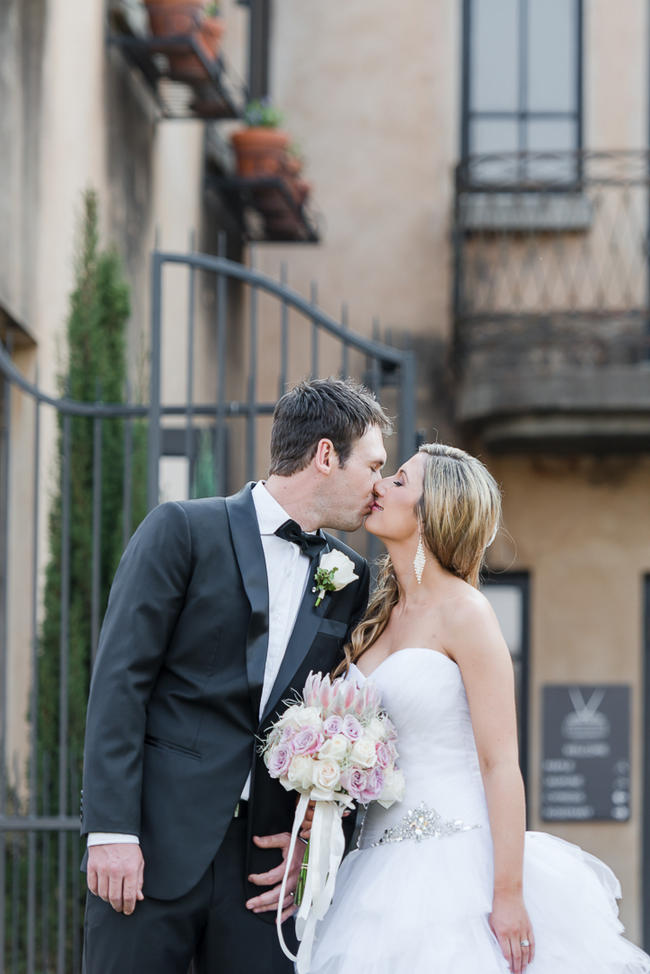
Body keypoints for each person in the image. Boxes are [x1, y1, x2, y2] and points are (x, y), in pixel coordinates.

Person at [80, 377, 391, 974]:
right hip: (150, 850)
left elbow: (344, 716)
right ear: (327, 455)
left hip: (264, 876)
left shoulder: (349, 576)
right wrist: (111, 832)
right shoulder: (182, 531)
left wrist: (311, 847)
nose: (379, 486)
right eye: (374, 465)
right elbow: (121, 683)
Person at [308, 442, 650, 974]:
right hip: (370, 871)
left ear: (434, 510)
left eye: (399, 481)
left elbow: (500, 763)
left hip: (456, 870)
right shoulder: (373, 615)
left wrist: (508, 894)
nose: (380, 486)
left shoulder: (467, 614)